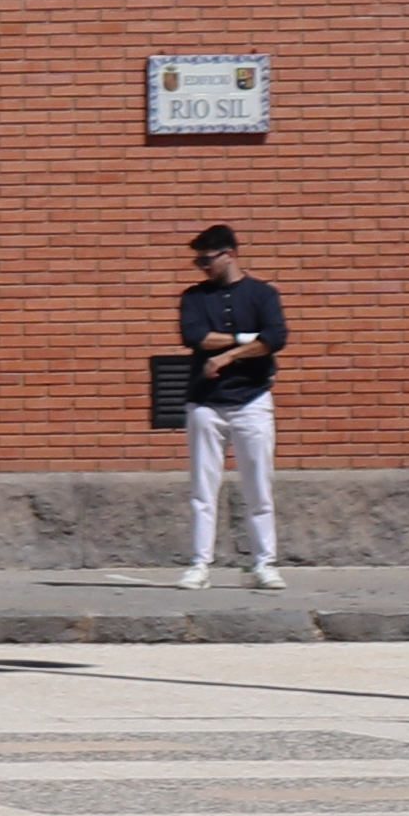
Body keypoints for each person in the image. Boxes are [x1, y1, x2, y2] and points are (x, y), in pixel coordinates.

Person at [180, 223, 285, 592]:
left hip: (252, 399)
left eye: (207, 260)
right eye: (198, 261)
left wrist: (228, 356)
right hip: (206, 403)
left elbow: (275, 338)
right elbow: (195, 337)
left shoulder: (262, 294)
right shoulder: (194, 297)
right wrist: (245, 341)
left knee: (258, 484)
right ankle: (199, 563)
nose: (202, 267)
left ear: (230, 254)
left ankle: (264, 563)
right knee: (203, 488)